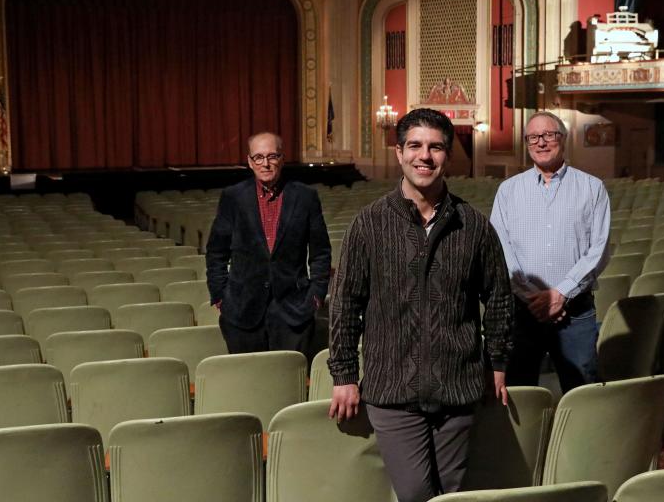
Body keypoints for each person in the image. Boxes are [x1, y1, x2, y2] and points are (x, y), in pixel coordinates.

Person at [328, 108, 513, 502]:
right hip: (392, 388)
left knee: (451, 493)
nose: (424, 156)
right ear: (399, 153)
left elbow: (498, 296)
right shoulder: (370, 224)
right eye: (415, 145)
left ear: (448, 155)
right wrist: (343, 373)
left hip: (457, 385)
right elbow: (345, 303)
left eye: (435, 147)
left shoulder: (474, 225)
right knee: (415, 493)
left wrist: (497, 360)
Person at [490, 111, 610, 391]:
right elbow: (499, 249)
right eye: (533, 137)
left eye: (548, 135)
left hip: (575, 312)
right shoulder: (508, 191)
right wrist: (533, 298)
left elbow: (599, 250)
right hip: (522, 310)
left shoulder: (592, 188)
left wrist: (561, 294)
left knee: (582, 388)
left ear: (563, 139)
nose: (541, 142)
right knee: (520, 390)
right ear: (526, 143)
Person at [205, 131, 331, 359]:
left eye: (272, 156)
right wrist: (220, 296)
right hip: (241, 312)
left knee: (289, 383)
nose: (266, 163)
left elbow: (320, 252)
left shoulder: (306, 197)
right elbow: (216, 253)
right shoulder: (233, 197)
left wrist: (316, 296)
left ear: (282, 158)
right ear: (249, 162)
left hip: (294, 312)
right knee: (250, 384)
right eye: (259, 157)